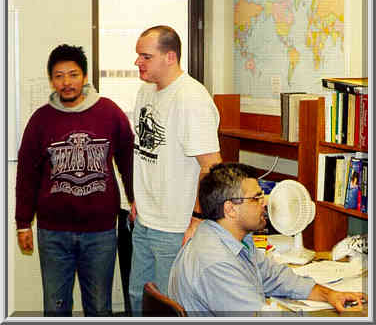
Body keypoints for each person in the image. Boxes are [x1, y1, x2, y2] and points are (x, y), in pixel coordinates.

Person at [15, 44, 134, 317]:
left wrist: (135, 197)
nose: (66, 83)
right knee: (55, 308)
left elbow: (128, 160)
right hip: (53, 233)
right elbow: (26, 174)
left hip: (101, 232)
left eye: (73, 74)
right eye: (59, 76)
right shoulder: (41, 120)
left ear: (84, 76)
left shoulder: (109, 112)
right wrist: (23, 223)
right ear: (51, 80)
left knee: (99, 308)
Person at [168, 162, 367, 316]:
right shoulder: (216, 262)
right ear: (230, 209)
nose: (265, 203)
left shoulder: (233, 239)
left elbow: (275, 277)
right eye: (256, 198)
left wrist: (330, 295)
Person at [129, 25, 222, 315]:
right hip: (145, 219)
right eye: (138, 56)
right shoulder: (145, 92)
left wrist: (196, 219)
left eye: (145, 56)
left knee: (169, 307)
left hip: (175, 226)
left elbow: (211, 166)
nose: (137, 62)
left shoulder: (191, 98)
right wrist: (138, 201)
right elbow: (148, 155)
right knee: (137, 297)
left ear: (170, 57)